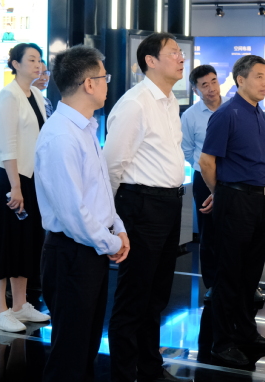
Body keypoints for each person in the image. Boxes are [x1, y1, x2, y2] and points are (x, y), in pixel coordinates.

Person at [35, 45, 130, 382]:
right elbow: (72, 211)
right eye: (104, 78)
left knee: (86, 346)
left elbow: (99, 190)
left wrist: (117, 226)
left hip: (90, 249)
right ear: (89, 84)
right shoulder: (61, 135)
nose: (107, 84)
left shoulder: (85, 128)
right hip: (71, 254)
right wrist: (110, 242)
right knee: (70, 354)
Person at [105, 32, 190, 382]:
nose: (181, 57)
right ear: (151, 61)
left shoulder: (170, 102)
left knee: (157, 294)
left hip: (168, 204)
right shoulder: (135, 103)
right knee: (134, 296)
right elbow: (112, 165)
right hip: (140, 205)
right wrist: (112, 218)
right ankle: (124, 373)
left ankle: (150, 368)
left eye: (180, 52)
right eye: (173, 52)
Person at [199, 55, 265, 366]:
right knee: (229, 275)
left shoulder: (257, 111)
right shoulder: (227, 114)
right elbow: (207, 161)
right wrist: (220, 193)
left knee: (250, 274)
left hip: (259, 201)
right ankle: (221, 342)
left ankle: (246, 332)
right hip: (236, 200)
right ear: (240, 80)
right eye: (259, 77)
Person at [0, 43, 50, 333]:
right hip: (11, 180)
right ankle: (1, 311)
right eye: (31, 59)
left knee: (26, 243)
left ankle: (21, 305)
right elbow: (7, 145)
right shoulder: (8, 95)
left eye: (39, 60)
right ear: (15, 64)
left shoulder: (36, 94)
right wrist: (16, 186)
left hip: (30, 180)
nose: (38, 64)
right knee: (3, 244)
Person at [181, 65, 225, 294]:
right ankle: (213, 285)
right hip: (204, 178)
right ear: (196, 90)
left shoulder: (233, 107)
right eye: (204, 85)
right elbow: (187, 150)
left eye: (213, 81)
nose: (211, 89)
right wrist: (202, 168)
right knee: (209, 232)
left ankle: (236, 282)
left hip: (232, 177)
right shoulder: (190, 116)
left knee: (236, 230)